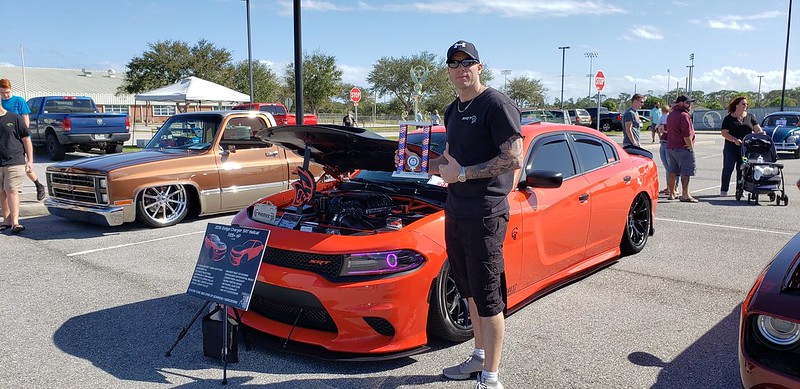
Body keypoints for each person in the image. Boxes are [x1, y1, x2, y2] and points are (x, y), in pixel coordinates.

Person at [429, 40, 523, 389]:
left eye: (467, 62)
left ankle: (491, 378)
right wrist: (420, 164)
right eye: (454, 64)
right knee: (468, 291)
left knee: (488, 296)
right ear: (449, 71)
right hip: (456, 210)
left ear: (479, 67)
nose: (460, 68)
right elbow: (451, 160)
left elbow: (512, 157)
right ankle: (479, 357)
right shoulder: (452, 110)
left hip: (485, 213)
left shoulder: (495, 104)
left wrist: (464, 174)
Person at [0, 79, 45, 201]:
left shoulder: (18, 101)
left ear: (11, 89)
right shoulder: (0, 103)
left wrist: (23, 136)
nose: (5, 95)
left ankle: (38, 184)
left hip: (19, 137)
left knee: (22, 164)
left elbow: (25, 118)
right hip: (7, 139)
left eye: (7, 92)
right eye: (2, 92)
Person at [719, 96, 763, 197]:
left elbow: (757, 129)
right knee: (728, 168)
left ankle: (740, 190)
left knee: (742, 169)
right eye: (743, 104)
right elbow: (724, 133)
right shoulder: (729, 118)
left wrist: (761, 133)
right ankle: (724, 190)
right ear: (736, 105)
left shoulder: (750, 116)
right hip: (731, 147)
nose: (745, 106)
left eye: (747, 104)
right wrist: (734, 139)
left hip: (745, 148)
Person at [0, 103, 33, 233]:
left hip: (15, 161)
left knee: (11, 190)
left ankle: (15, 223)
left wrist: (30, 160)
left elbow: (26, 139)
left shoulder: (14, 118)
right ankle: (7, 221)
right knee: (1, 193)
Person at [666, 95, 698, 203]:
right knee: (686, 172)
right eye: (687, 102)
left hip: (671, 147)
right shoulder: (684, 115)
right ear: (680, 103)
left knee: (672, 171)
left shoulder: (671, 114)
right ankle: (685, 194)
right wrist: (690, 147)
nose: (689, 105)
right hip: (683, 148)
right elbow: (686, 135)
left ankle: (672, 193)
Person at [656, 104, 678, 197]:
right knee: (667, 168)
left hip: (672, 145)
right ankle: (669, 187)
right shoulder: (665, 118)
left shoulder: (676, 118)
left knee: (673, 168)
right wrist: (661, 132)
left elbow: (673, 131)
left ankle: (675, 188)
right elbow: (658, 128)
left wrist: (664, 129)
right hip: (664, 142)